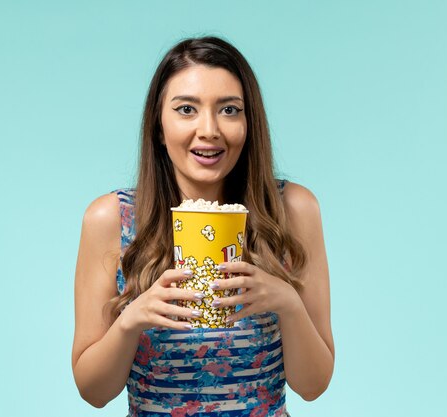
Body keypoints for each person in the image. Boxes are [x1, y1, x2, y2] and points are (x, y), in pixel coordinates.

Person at [71, 36, 335, 416]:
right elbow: (93, 391)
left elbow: (313, 386)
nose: (209, 129)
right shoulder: (111, 218)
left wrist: (287, 303)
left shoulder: (293, 209)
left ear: (249, 123)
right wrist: (131, 320)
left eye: (229, 110)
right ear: (159, 127)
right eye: (187, 109)